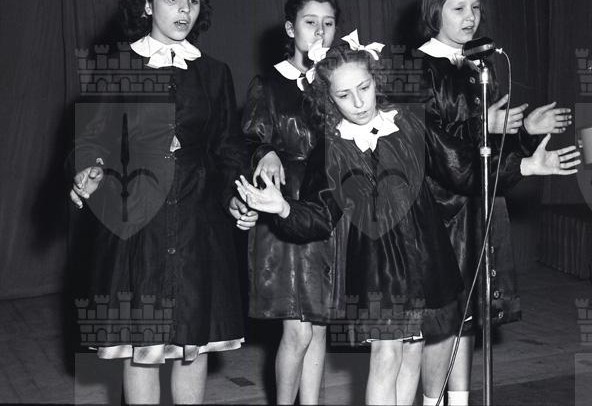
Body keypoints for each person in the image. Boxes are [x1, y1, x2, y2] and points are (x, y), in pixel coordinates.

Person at [236, 39, 579, 405]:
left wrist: (525, 164)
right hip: (378, 266)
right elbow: (320, 217)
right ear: (328, 99)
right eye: (344, 95)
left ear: (376, 80)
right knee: (386, 356)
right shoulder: (332, 147)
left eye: (364, 88)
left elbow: (461, 168)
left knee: (412, 352)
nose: (358, 102)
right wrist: (283, 208)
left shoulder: (411, 122)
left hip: (426, 253)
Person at [68, 0, 256, 405]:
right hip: (138, 220)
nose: (184, 10)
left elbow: (227, 147)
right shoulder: (118, 66)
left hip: (199, 220)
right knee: (144, 344)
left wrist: (235, 195)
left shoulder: (214, 72)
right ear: (149, 5)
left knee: (193, 344)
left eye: (193, 1)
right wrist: (89, 167)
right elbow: (91, 137)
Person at [417, 0, 573, 406]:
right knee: (443, 322)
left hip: (477, 206)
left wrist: (523, 134)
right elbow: (441, 151)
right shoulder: (419, 68)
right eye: (458, 8)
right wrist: (487, 127)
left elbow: (488, 147)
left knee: (469, 316)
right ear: (435, 11)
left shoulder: (476, 66)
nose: (470, 17)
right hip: (440, 209)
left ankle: (460, 401)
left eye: (476, 7)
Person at [242, 0, 340, 405]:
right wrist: (264, 152)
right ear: (290, 28)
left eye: (328, 23)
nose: (320, 31)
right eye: (310, 22)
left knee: (318, 326)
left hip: (328, 207)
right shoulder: (268, 84)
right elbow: (249, 139)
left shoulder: (338, 82)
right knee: (297, 329)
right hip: (285, 209)